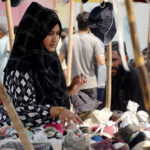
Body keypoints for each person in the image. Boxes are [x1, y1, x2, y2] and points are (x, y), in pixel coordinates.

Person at [0, 2, 87, 128]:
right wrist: (57, 111)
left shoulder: (51, 61)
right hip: (23, 138)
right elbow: (22, 111)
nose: (55, 39)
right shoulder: (20, 67)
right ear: (37, 33)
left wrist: (70, 89)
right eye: (50, 33)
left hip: (50, 134)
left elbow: (46, 99)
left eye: (58, 33)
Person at [59, 11, 105, 100]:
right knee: (90, 113)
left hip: (73, 85)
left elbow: (59, 61)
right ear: (89, 26)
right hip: (90, 84)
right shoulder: (94, 40)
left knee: (74, 113)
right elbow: (101, 62)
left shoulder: (68, 40)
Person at [104, 41, 145, 112]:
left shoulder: (137, 79)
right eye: (106, 60)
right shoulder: (110, 80)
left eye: (114, 60)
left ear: (125, 59)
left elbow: (140, 111)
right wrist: (112, 113)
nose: (110, 64)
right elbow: (106, 107)